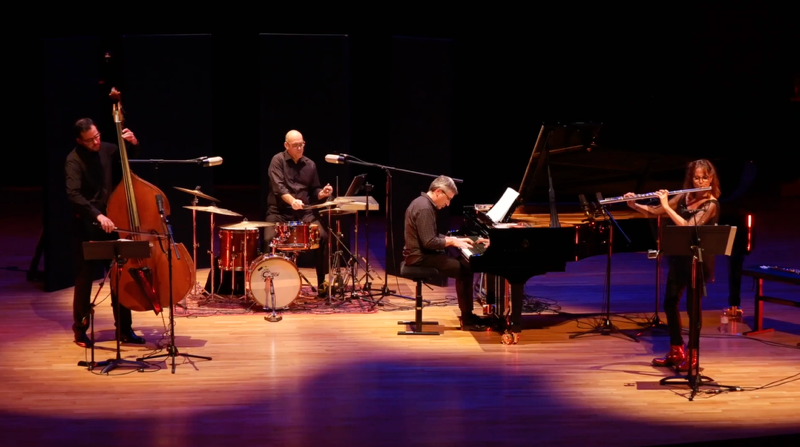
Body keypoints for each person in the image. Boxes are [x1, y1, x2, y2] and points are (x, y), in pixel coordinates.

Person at [624, 159, 721, 372]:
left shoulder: (711, 204)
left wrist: (668, 206)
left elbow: (687, 226)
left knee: (692, 309)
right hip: (679, 258)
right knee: (670, 303)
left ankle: (694, 356)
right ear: (691, 178)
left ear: (711, 179)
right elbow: (655, 211)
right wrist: (635, 205)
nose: (700, 180)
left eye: (704, 177)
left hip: (698, 261)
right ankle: (677, 350)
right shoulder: (685, 196)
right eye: (696, 177)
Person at [65, 118, 147, 348]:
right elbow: (73, 194)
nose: (96, 142)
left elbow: (129, 158)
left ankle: (124, 329)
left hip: (114, 223)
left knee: (119, 279)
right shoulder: (73, 160)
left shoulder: (107, 149)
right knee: (84, 280)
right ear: (80, 141)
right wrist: (97, 215)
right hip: (88, 226)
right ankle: (80, 331)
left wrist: (132, 143)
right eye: (90, 140)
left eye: (98, 136)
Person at [402, 175, 490, 330]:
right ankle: (468, 320)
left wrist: (453, 238)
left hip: (421, 254)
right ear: (438, 192)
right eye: (448, 199)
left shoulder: (423, 203)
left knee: (463, 265)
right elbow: (429, 242)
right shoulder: (424, 208)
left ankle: (467, 316)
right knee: (465, 270)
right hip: (419, 257)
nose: (448, 204)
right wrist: (453, 241)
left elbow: (431, 236)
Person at [264, 130, 333, 296]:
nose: (300, 148)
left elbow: (314, 189)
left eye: (302, 144)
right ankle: (268, 284)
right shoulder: (277, 161)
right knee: (268, 239)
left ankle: (322, 282)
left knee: (323, 237)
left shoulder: (310, 164)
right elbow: (279, 188)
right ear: (286, 146)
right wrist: (292, 201)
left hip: (304, 213)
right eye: (295, 145)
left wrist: (322, 193)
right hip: (279, 212)